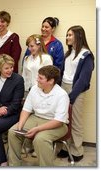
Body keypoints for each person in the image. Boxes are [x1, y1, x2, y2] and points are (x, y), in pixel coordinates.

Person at [7, 65, 69, 166]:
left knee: (40, 139)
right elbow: (26, 109)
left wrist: (37, 129)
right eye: (38, 76)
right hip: (35, 118)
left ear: (51, 81)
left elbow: (58, 121)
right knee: (13, 132)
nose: (37, 80)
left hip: (56, 123)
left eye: (41, 78)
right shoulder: (35, 89)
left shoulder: (62, 95)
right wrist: (20, 126)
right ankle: (14, 165)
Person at [57, 25, 94, 162]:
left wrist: (71, 96)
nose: (67, 37)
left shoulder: (86, 55)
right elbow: (62, 73)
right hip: (64, 88)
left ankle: (77, 150)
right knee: (64, 120)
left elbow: (83, 80)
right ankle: (66, 148)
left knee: (76, 122)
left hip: (76, 90)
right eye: (67, 35)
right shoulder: (69, 53)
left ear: (78, 36)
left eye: (70, 35)